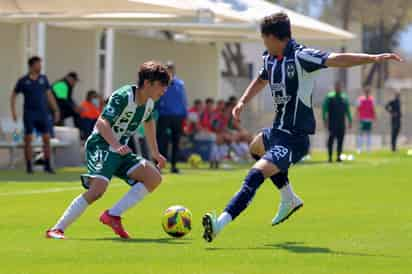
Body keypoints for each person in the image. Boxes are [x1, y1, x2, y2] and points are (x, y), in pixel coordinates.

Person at [201, 12, 402, 242]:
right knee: (255, 146)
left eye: (265, 39)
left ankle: (219, 224)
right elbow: (261, 80)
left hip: (295, 139)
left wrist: (372, 58)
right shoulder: (270, 58)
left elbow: (336, 59)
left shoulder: (301, 56)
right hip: (277, 132)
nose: (263, 43)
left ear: (277, 38)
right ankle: (289, 198)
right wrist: (242, 102)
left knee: (255, 174)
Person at [46, 61, 170, 240]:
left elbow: (149, 122)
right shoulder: (123, 96)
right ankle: (56, 229)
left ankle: (113, 215)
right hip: (101, 144)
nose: (164, 90)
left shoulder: (149, 103)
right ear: (148, 83)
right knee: (97, 191)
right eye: (162, 85)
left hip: (120, 149)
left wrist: (155, 152)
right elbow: (101, 123)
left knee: (153, 178)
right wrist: (116, 145)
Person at [10, 56, 60, 174]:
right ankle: (29, 166)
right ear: (32, 66)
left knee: (46, 139)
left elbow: (49, 95)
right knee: (28, 139)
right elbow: (13, 95)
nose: (40, 66)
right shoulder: (23, 80)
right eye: (38, 64)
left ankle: (47, 165)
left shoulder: (43, 79)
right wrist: (13, 111)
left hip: (42, 113)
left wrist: (56, 109)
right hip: (29, 113)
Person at [156, 61, 188, 174]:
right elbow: (157, 98)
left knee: (176, 141)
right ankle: (159, 165)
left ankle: (174, 165)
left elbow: (183, 100)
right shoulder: (160, 82)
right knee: (162, 141)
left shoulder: (180, 83)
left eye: (171, 68)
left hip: (177, 116)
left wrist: (185, 115)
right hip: (164, 115)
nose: (170, 70)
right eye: (168, 68)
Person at [322, 81, 352, 162]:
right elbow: (324, 109)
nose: (338, 88)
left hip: (341, 123)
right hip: (332, 123)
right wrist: (324, 119)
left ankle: (338, 157)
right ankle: (330, 157)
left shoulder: (344, 98)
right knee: (331, 140)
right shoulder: (330, 97)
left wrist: (350, 120)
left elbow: (348, 110)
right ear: (335, 87)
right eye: (337, 86)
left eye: (339, 86)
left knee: (340, 140)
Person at [356, 87, 376, 153]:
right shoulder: (361, 99)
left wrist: (374, 117)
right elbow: (358, 108)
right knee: (361, 133)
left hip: (369, 119)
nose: (367, 93)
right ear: (364, 92)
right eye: (366, 91)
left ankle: (368, 148)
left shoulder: (372, 99)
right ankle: (359, 148)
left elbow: (373, 109)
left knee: (368, 133)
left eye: (368, 91)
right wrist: (357, 116)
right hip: (362, 118)